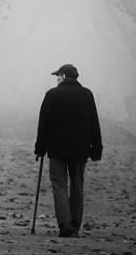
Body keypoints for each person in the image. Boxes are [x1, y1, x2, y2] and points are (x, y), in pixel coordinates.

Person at [34, 63, 102, 237]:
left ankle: (64, 224)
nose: (56, 79)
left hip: (57, 149)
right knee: (77, 185)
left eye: (58, 76)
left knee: (59, 186)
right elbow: (94, 122)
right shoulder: (87, 95)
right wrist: (96, 147)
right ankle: (75, 224)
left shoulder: (52, 95)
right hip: (80, 150)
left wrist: (40, 148)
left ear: (64, 76)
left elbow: (44, 125)